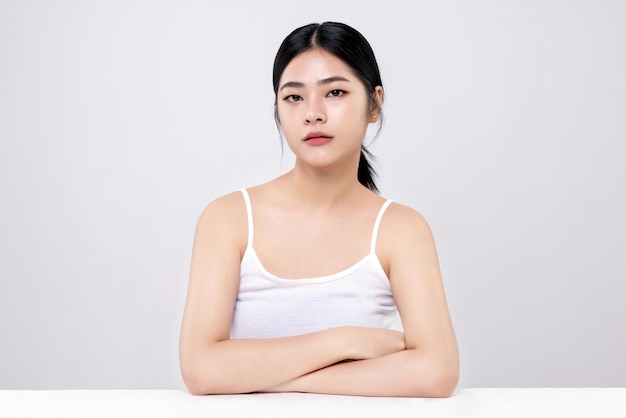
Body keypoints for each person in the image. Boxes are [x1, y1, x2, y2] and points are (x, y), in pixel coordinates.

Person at [179, 22, 459, 397]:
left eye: (335, 92)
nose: (313, 114)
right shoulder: (228, 219)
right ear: (277, 109)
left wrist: (273, 379)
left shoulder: (401, 229)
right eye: (294, 97)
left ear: (374, 103)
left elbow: (436, 372)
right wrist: (342, 342)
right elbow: (200, 370)